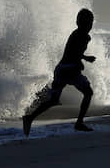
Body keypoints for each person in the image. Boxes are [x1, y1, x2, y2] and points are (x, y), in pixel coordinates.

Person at [22, 8, 97, 136]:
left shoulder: (76, 34)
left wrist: (83, 58)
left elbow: (73, 51)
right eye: (88, 23)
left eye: (90, 23)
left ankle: (30, 117)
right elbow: (75, 53)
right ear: (82, 23)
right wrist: (82, 60)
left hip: (61, 69)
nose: (90, 26)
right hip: (69, 70)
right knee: (88, 93)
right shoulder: (84, 36)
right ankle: (79, 123)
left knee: (53, 100)